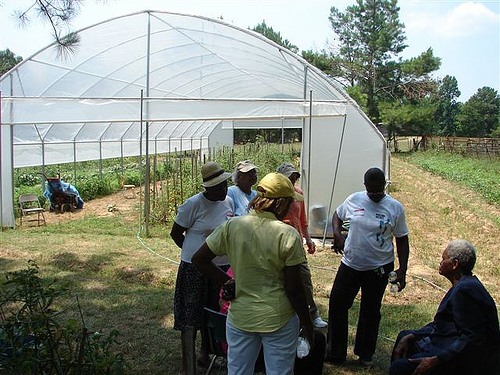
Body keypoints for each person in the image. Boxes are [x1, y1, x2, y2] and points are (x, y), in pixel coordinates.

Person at [192, 172, 314, 375]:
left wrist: (228, 281)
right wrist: (307, 322)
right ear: (281, 204)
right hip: (279, 319)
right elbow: (294, 289)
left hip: (240, 316)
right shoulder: (287, 234)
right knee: (280, 371)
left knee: (238, 370)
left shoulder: (233, 226)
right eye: (290, 202)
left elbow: (199, 259)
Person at [326, 167, 410, 367]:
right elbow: (337, 215)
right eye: (371, 191)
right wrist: (337, 234)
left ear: (384, 186)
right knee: (338, 304)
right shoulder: (354, 199)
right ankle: (335, 353)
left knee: (370, 310)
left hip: (378, 267)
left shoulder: (395, 207)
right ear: (365, 186)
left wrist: (402, 270)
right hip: (351, 264)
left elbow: (402, 239)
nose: (375, 194)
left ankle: (364, 354)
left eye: (379, 191)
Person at [389, 239, 500, 375]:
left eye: (443, 259)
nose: (440, 262)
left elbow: (472, 338)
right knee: (405, 336)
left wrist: (436, 360)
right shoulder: (463, 284)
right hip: (448, 341)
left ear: (454, 264)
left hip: (467, 360)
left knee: (399, 368)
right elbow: (443, 324)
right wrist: (415, 335)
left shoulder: (465, 291)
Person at [169, 161, 233, 375]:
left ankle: (206, 352)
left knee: (214, 311)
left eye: (225, 185)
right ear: (208, 188)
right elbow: (176, 234)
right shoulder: (193, 204)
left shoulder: (228, 202)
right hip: (194, 270)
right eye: (218, 187)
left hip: (221, 267)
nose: (223, 190)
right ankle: (188, 362)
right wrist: (194, 254)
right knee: (191, 313)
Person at [277, 162, 327, 329]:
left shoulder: (299, 193)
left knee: (304, 278)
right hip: (277, 242)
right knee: (281, 280)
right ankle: (287, 315)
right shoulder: (274, 195)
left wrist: (309, 239)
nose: (293, 179)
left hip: (296, 242)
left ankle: (312, 313)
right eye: (290, 176)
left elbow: (302, 220)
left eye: (295, 176)